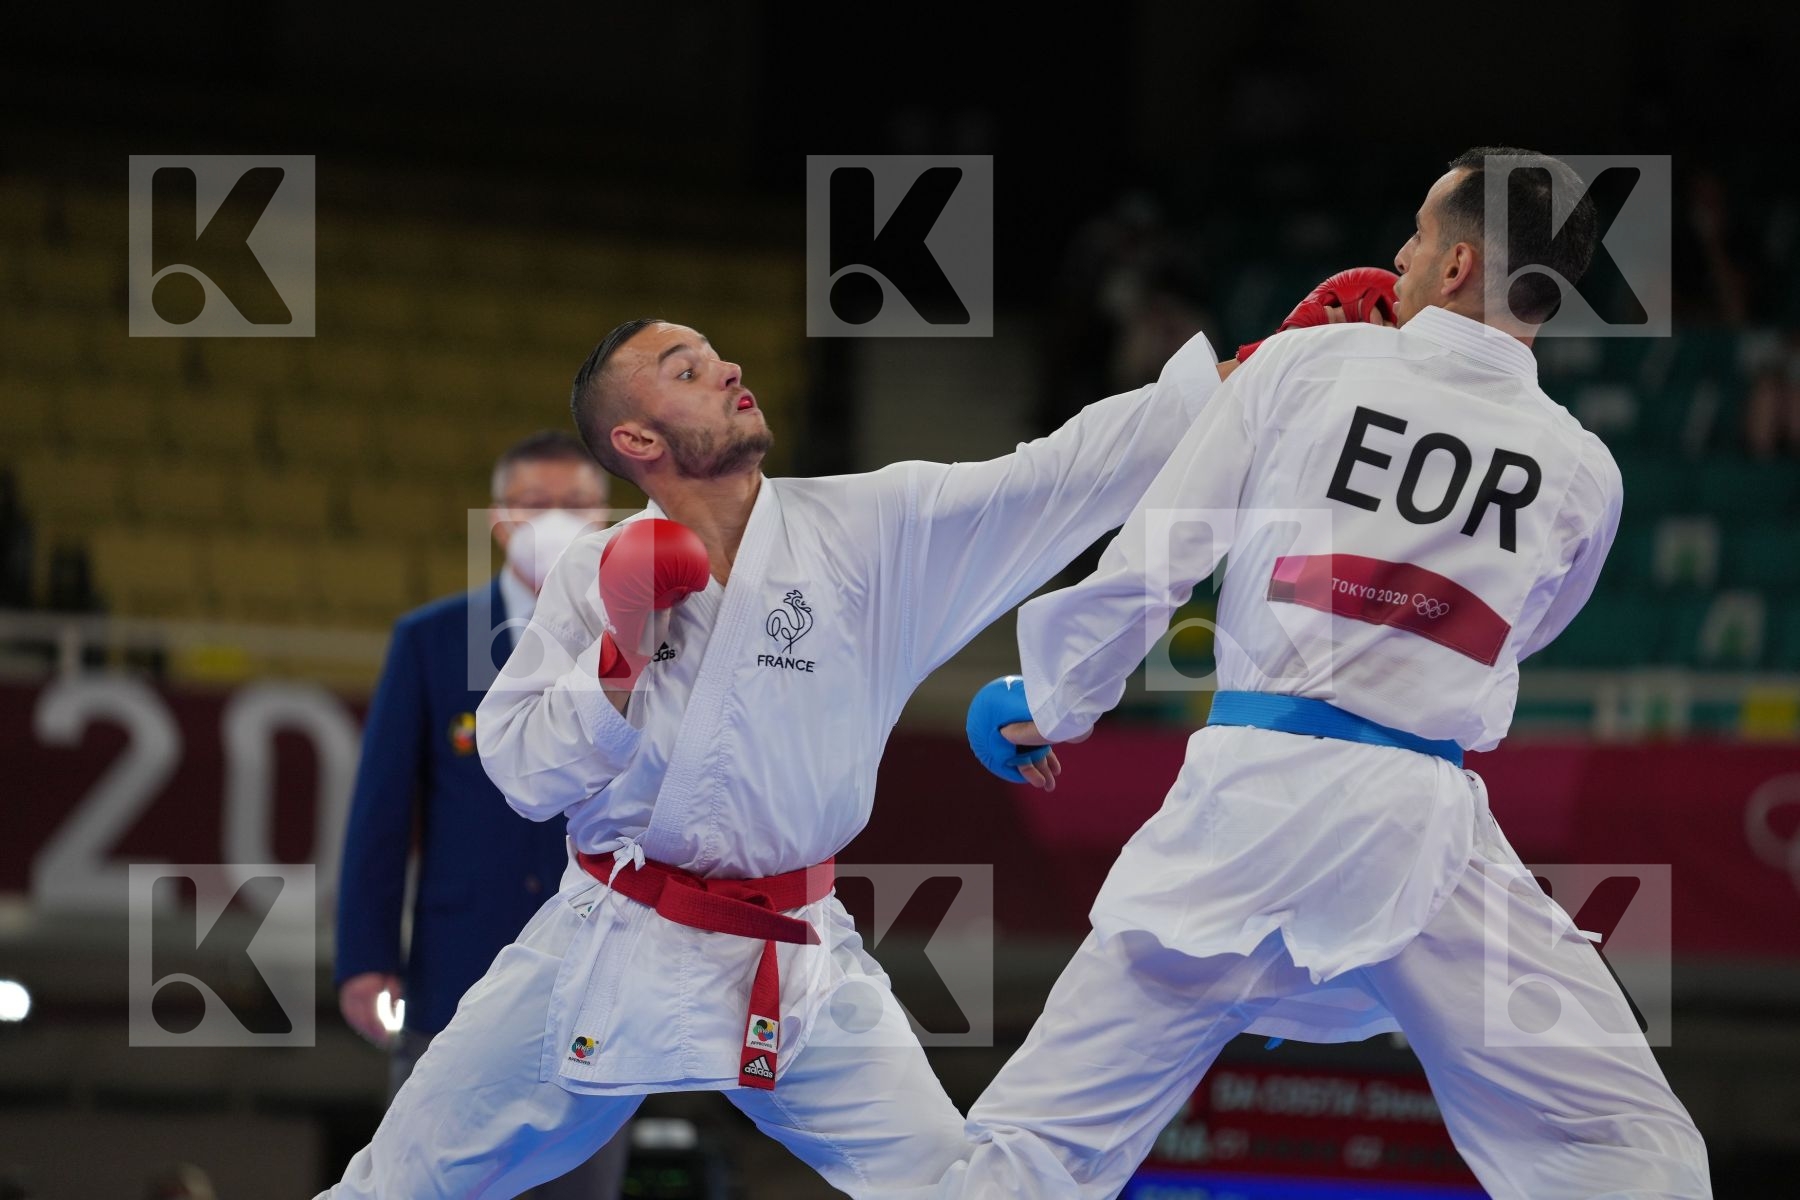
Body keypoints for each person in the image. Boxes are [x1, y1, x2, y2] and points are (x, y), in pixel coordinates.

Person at [317, 277, 1394, 1198]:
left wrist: (1252, 368)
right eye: (687, 369)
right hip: (611, 935)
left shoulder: (868, 534)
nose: (728, 366)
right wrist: (622, 654)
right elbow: (519, 772)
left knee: (947, 1185)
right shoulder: (598, 577)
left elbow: (1057, 476)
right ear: (637, 440)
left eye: (716, 353)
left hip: (797, 957)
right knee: (398, 1182)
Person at [951, 149, 1713, 1199]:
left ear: (1454, 267)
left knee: (1036, 1143)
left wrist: (1048, 699)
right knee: (1623, 1145)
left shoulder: (1300, 367)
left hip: (1246, 808)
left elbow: (1157, 558)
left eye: (1415, 233)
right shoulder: (1584, 467)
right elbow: (1518, 634)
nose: (1396, 254)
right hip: (1422, 830)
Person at [332, 430, 631, 1199]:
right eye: (537, 505)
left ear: (607, 519)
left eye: (577, 506)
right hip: (456, 972)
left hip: (594, 984)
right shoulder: (431, 641)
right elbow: (381, 815)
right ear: (499, 518)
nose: (557, 522)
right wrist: (367, 957)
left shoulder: (646, 641)